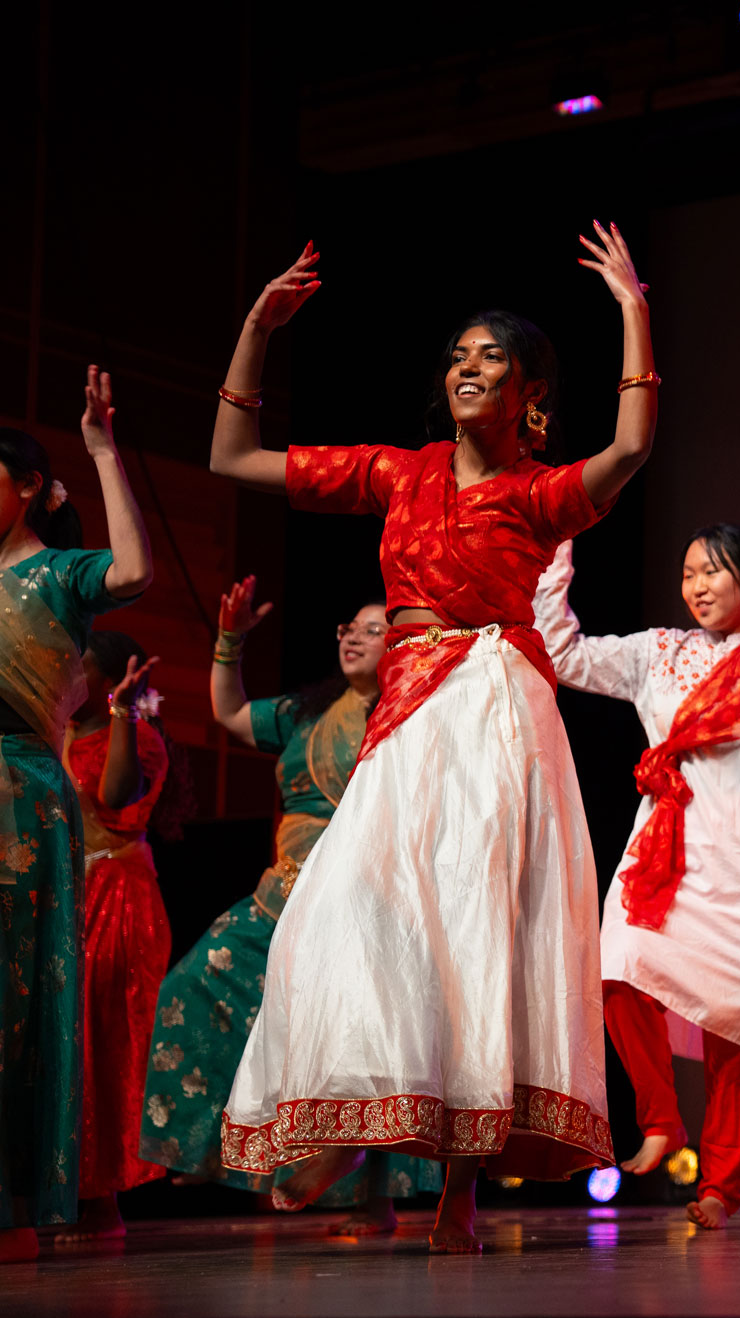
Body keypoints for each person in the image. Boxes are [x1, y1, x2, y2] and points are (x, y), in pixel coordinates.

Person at [209, 225, 656, 1253]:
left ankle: (459, 1185)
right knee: (339, 902)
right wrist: (253, 330)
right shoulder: (394, 473)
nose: (467, 369)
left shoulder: (537, 493)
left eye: (490, 359)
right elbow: (231, 456)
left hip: (495, 706)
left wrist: (631, 311)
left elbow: (630, 449)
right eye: (457, 357)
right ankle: (354, 1120)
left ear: (529, 395)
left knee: (476, 926)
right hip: (408, 710)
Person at [534, 523, 740, 1230]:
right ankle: (658, 1117)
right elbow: (561, 653)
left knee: (739, 1033)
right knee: (616, 968)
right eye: (689, 573)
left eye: (715, 571)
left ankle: (721, 1186)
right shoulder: (658, 652)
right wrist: (556, 563)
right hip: (664, 853)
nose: (699, 585)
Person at [137, 579, 442, 1233]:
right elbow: (229, 713)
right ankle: (213, 1146)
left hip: (361, 903)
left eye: (372, 628)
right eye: (348, 626)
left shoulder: (410, 717)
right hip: (281, 896)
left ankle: (375, 1200)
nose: (352, 636)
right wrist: (230, 640)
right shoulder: (308, 713)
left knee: (356, 1045)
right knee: (195, 986)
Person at [0, 372, 154, 1263]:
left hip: (19, 793)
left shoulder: (56, 574)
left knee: (13, 1007)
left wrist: (100, 451)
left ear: (25, 489)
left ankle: (18, 1201)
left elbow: (132, 570)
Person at [55, 629, 171, 1243]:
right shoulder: (53, 732)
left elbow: (115, 797)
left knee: (104, 1042)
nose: (66, 672)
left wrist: (122, 714)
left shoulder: (141, 740)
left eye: (80, 665)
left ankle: (103, 1206)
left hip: (118, 898)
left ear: (109, 679)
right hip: (68, 896)